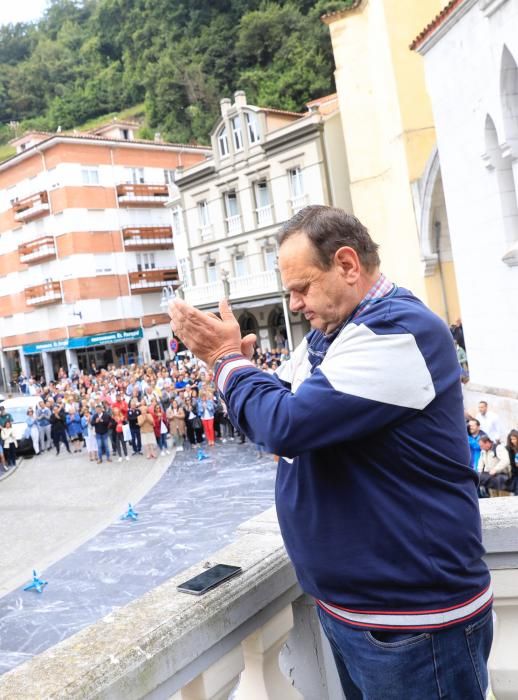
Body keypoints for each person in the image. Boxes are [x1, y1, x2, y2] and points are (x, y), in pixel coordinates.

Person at [169, 205, 492, 699]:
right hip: (368, 616)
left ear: (346, 264)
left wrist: (224, 360)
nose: (295, 305)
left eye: (303, 288)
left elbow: (283, 425)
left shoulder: (397, 333)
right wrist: (244, 370)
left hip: (413, 625)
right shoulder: (333, 336)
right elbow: (284, 402)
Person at [506, 429, 518, 495]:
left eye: (514, 439)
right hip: (514, 473)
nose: (513, 441)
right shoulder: (509, 449)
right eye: (511, 439)